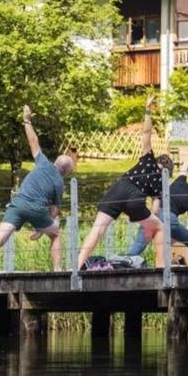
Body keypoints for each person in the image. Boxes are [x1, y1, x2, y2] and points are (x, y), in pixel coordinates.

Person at [0, 105, 78, 273]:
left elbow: (33, 142)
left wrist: (27, 121)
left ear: (55, 162)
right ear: (66, 171)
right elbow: (55, 211)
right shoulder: (59, 183)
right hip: (36, 209)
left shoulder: (42, 162)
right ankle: (58, 270)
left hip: (18, 204)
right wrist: (43, 229)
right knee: (56, 234)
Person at [75, 97, 168, 268]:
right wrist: (149, 223)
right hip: (135, 196)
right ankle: (162, 267)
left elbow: (146, 133)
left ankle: (77, 265)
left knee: (98, 229)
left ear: (158, 160)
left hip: (119, 187)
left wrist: (147, 109)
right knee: (160, 227)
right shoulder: (161, 180)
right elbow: (155, 208)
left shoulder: (148, 159)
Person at [129, 156, 188, 265]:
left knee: (139, 243)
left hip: (153, 212)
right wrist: (175, 238)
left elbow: (186, 162)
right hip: (169, 218)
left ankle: (125, 264)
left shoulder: (180, 180)